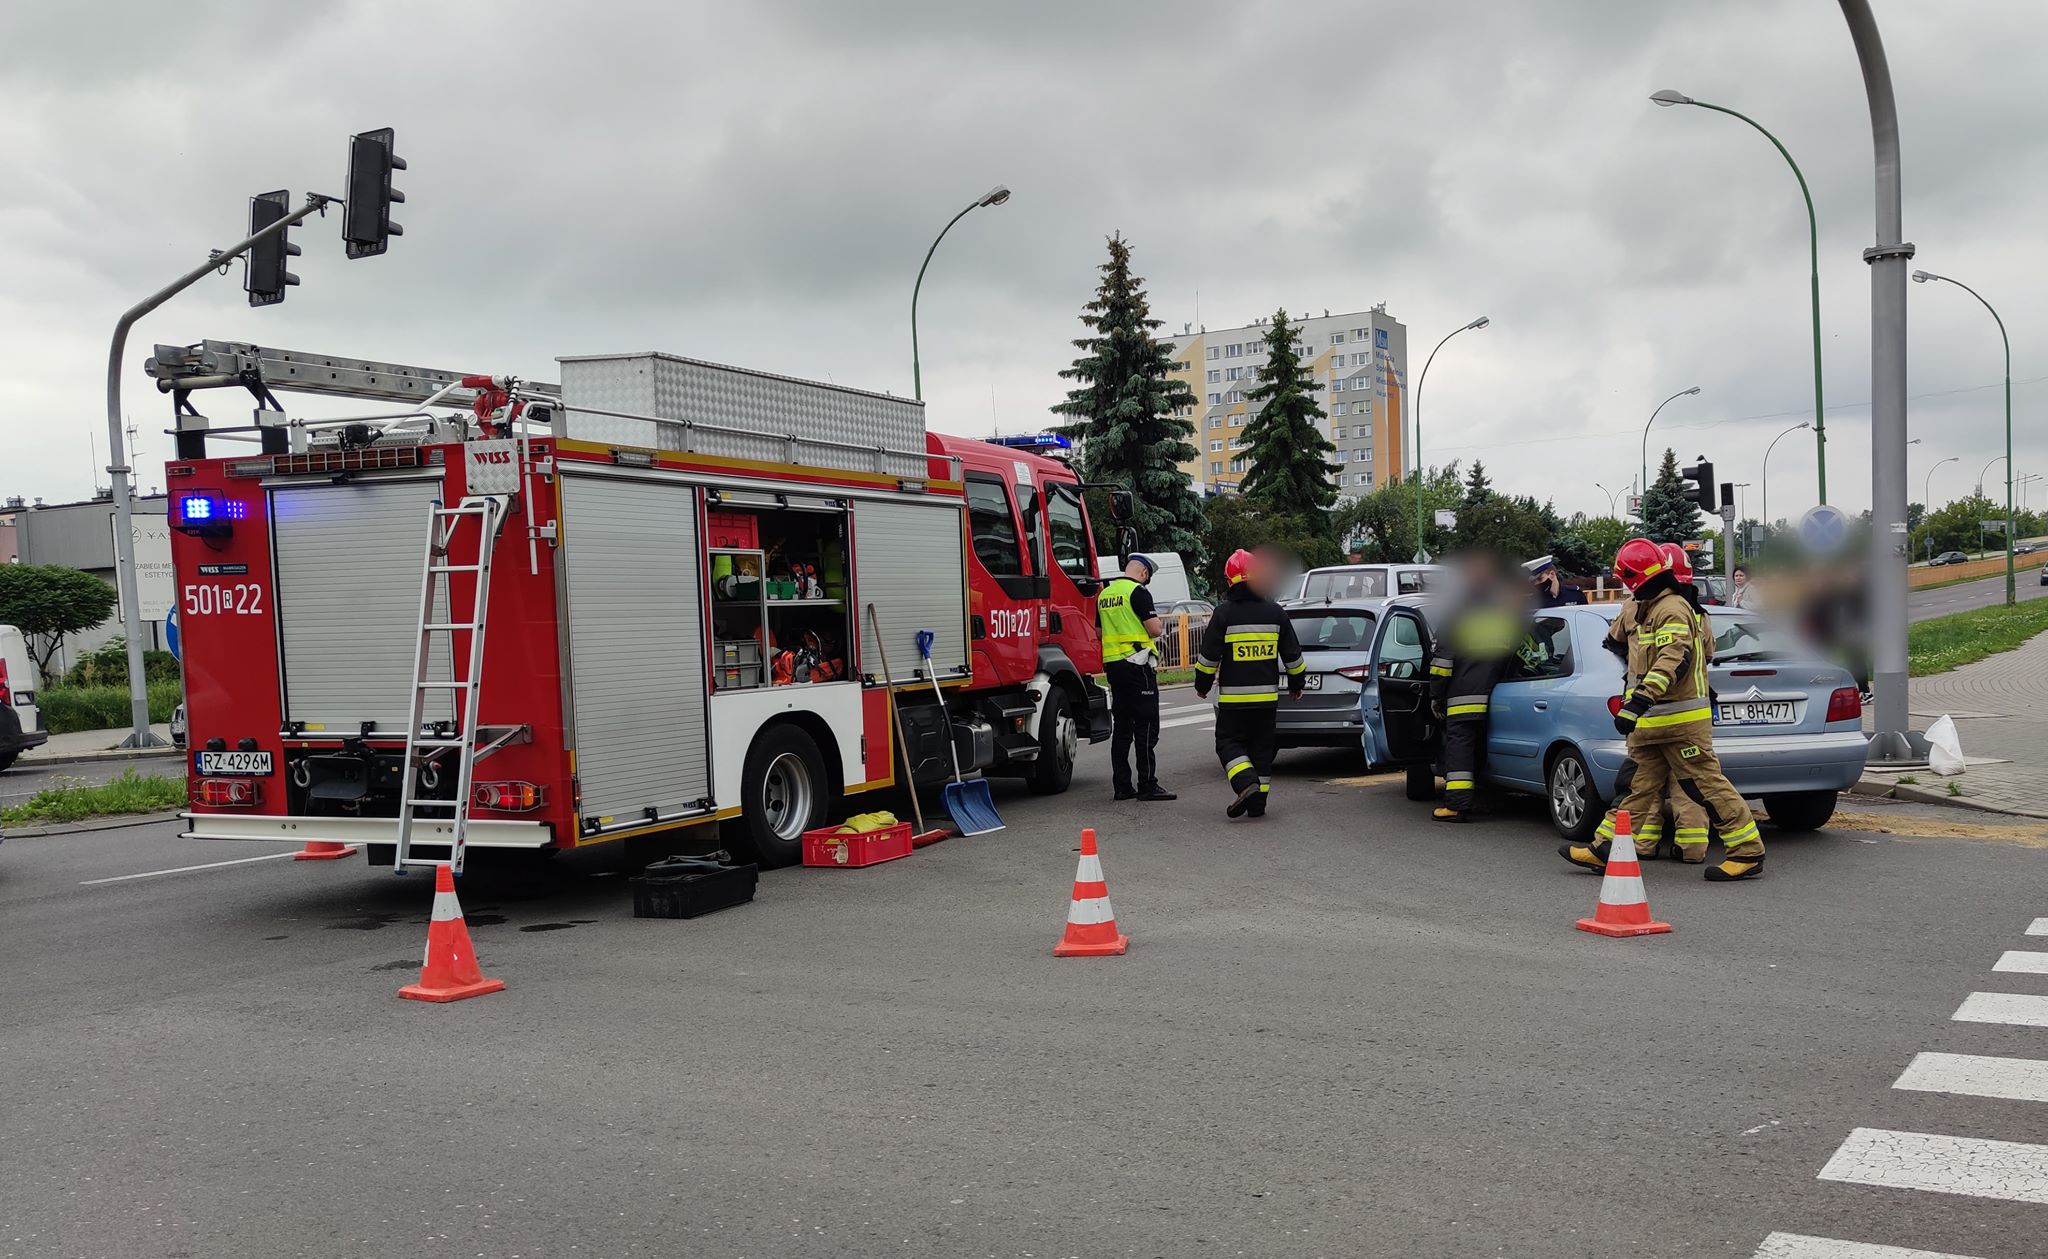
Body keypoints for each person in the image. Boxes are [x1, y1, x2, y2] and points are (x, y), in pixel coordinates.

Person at [1561, 539, 1765, 880]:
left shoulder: (1671, 608)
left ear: (1637, 577)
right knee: (1634, 788)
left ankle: (1747, 852)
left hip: (1679, 721)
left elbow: (1674, 658)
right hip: (1653, 722)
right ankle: (1604, 848)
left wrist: (1639, 700)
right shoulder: (1647, 606)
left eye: (1627, 579)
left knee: (1706, 786)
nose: (1626, 586)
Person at [1193, 548, 1305, 819]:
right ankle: (1258, 805)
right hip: (1266, 700)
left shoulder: (1223, 614)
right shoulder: (1275, 613)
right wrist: (1296, 684)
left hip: (1234, 702)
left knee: (1227, 743)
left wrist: (1203, 685)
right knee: (1261, 750)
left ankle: (1246, 784)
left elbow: (1208, 658)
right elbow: (1293, 656)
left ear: (1230, 580)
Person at [1427, 553, 1526, 822]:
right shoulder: (1504, 618)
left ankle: (1457, 805)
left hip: (1462, 694)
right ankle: (1481, 796)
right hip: (1499, 695)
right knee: (1481, 747)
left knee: (1459, 747)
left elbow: (1442, 663)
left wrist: (1436, 695)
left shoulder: (1459, 616)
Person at [1097, 554, 1174, 802]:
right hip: (1138, 666)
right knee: (1146, 726)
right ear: (1143, 573)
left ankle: (1122, 786)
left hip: (1114, 667)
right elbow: (1155, 629)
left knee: (1122, 728)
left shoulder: (1105, 594)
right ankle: (1147, 784)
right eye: (1148, 577)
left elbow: (1099, 632)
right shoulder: (1138, 592)